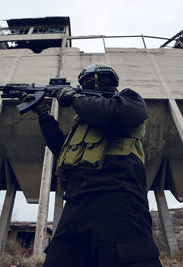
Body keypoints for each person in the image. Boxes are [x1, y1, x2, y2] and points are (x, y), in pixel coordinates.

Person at [26, 64, 161, 267]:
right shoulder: (82, 123)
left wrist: (74, 98)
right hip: (75, 204)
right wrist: (43, 114)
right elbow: (63, 151)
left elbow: (112, 113)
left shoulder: (128, 100)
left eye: (88, 82)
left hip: (117, 198)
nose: (84, 85)